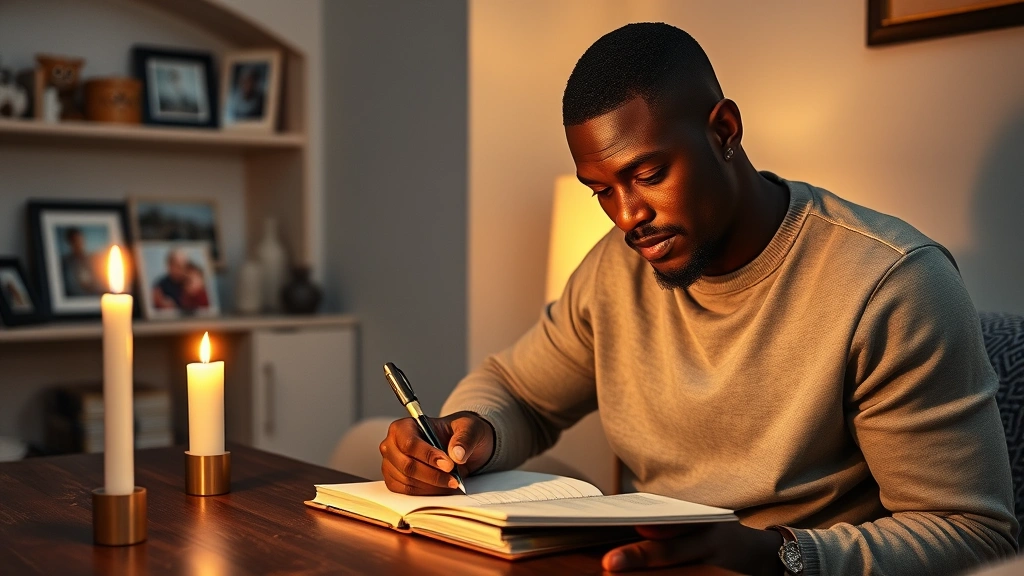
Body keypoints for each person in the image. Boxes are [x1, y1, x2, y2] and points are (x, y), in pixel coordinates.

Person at [378, 23, 1018, 575]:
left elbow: (973, 536)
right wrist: (468, 437)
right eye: (601, 191)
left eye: (648, 174)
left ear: (725, 131)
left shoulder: (891, 285)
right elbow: (517, 389)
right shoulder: (616, 271)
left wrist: (773, 556)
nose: (627, 217)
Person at [60, 227, 102, 297]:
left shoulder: (93, 260)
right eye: (75, 241)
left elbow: (99, 282)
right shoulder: (66, 262)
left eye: (80, 240)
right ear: (70, 243)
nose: (78, 244)